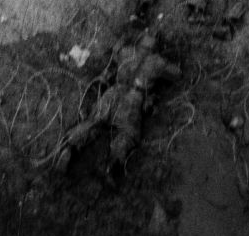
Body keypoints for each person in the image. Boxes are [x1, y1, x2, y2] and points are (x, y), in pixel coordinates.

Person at [51, 30, 180, 174]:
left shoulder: (126, 51)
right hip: (133, 100)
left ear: (140, 41)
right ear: (156, 47)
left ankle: (70, 145)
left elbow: (116, 48)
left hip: (112, 92)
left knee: (93, 120)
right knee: (129, 134)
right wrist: (166, 61)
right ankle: (111, 165)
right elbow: (177, 74)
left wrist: (125, 40)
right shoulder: (157, 61)